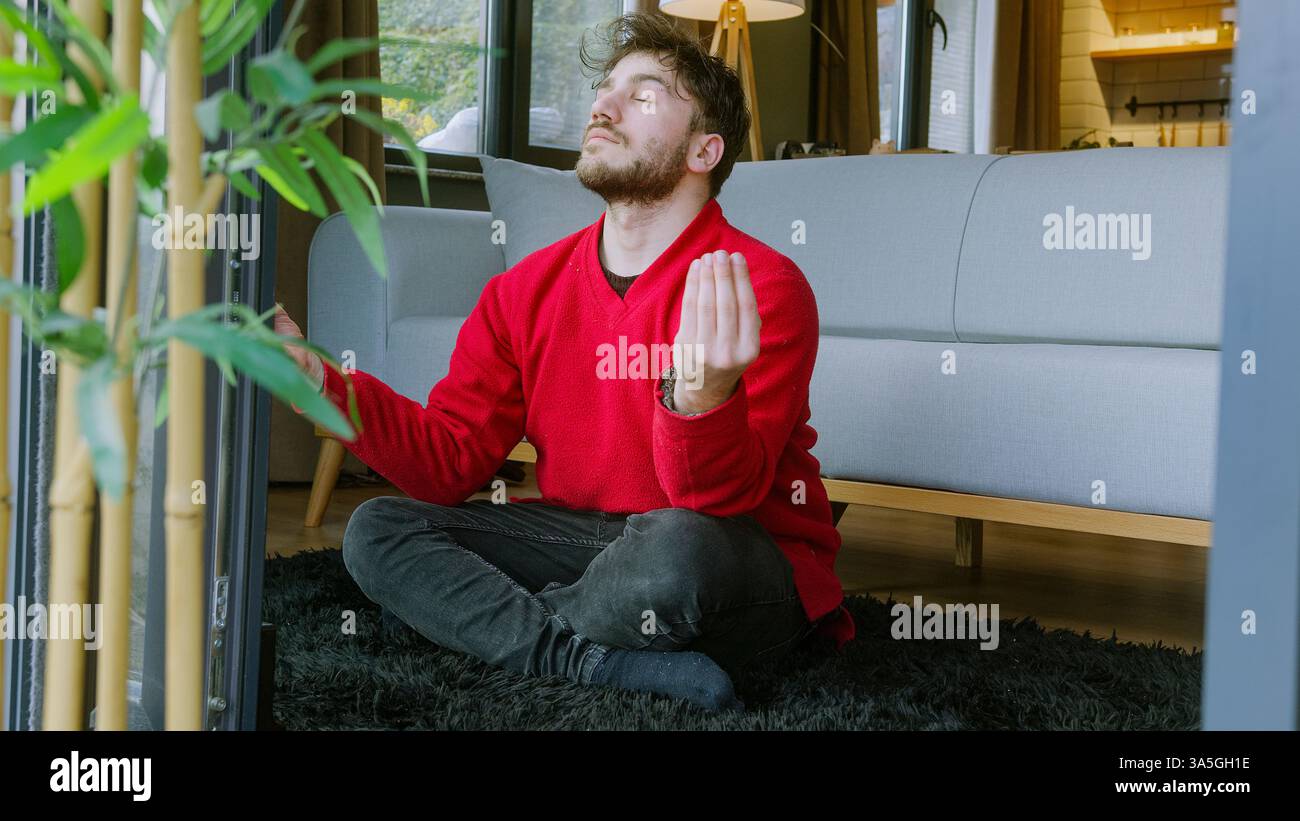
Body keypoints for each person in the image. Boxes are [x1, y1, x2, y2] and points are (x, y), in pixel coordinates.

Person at [275, 12, 854, 713]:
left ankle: (490, 628)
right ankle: (588, 657)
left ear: (705, 151)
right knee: (378, 530)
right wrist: (314, 380)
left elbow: (713, 506)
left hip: (730, 555)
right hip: (586, 541)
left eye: (642, 96)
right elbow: (449, 463)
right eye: (605, 90)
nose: (603, 107)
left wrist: (700, 401)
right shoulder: (522, 291)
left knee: (674, 549)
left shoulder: (759, 286)